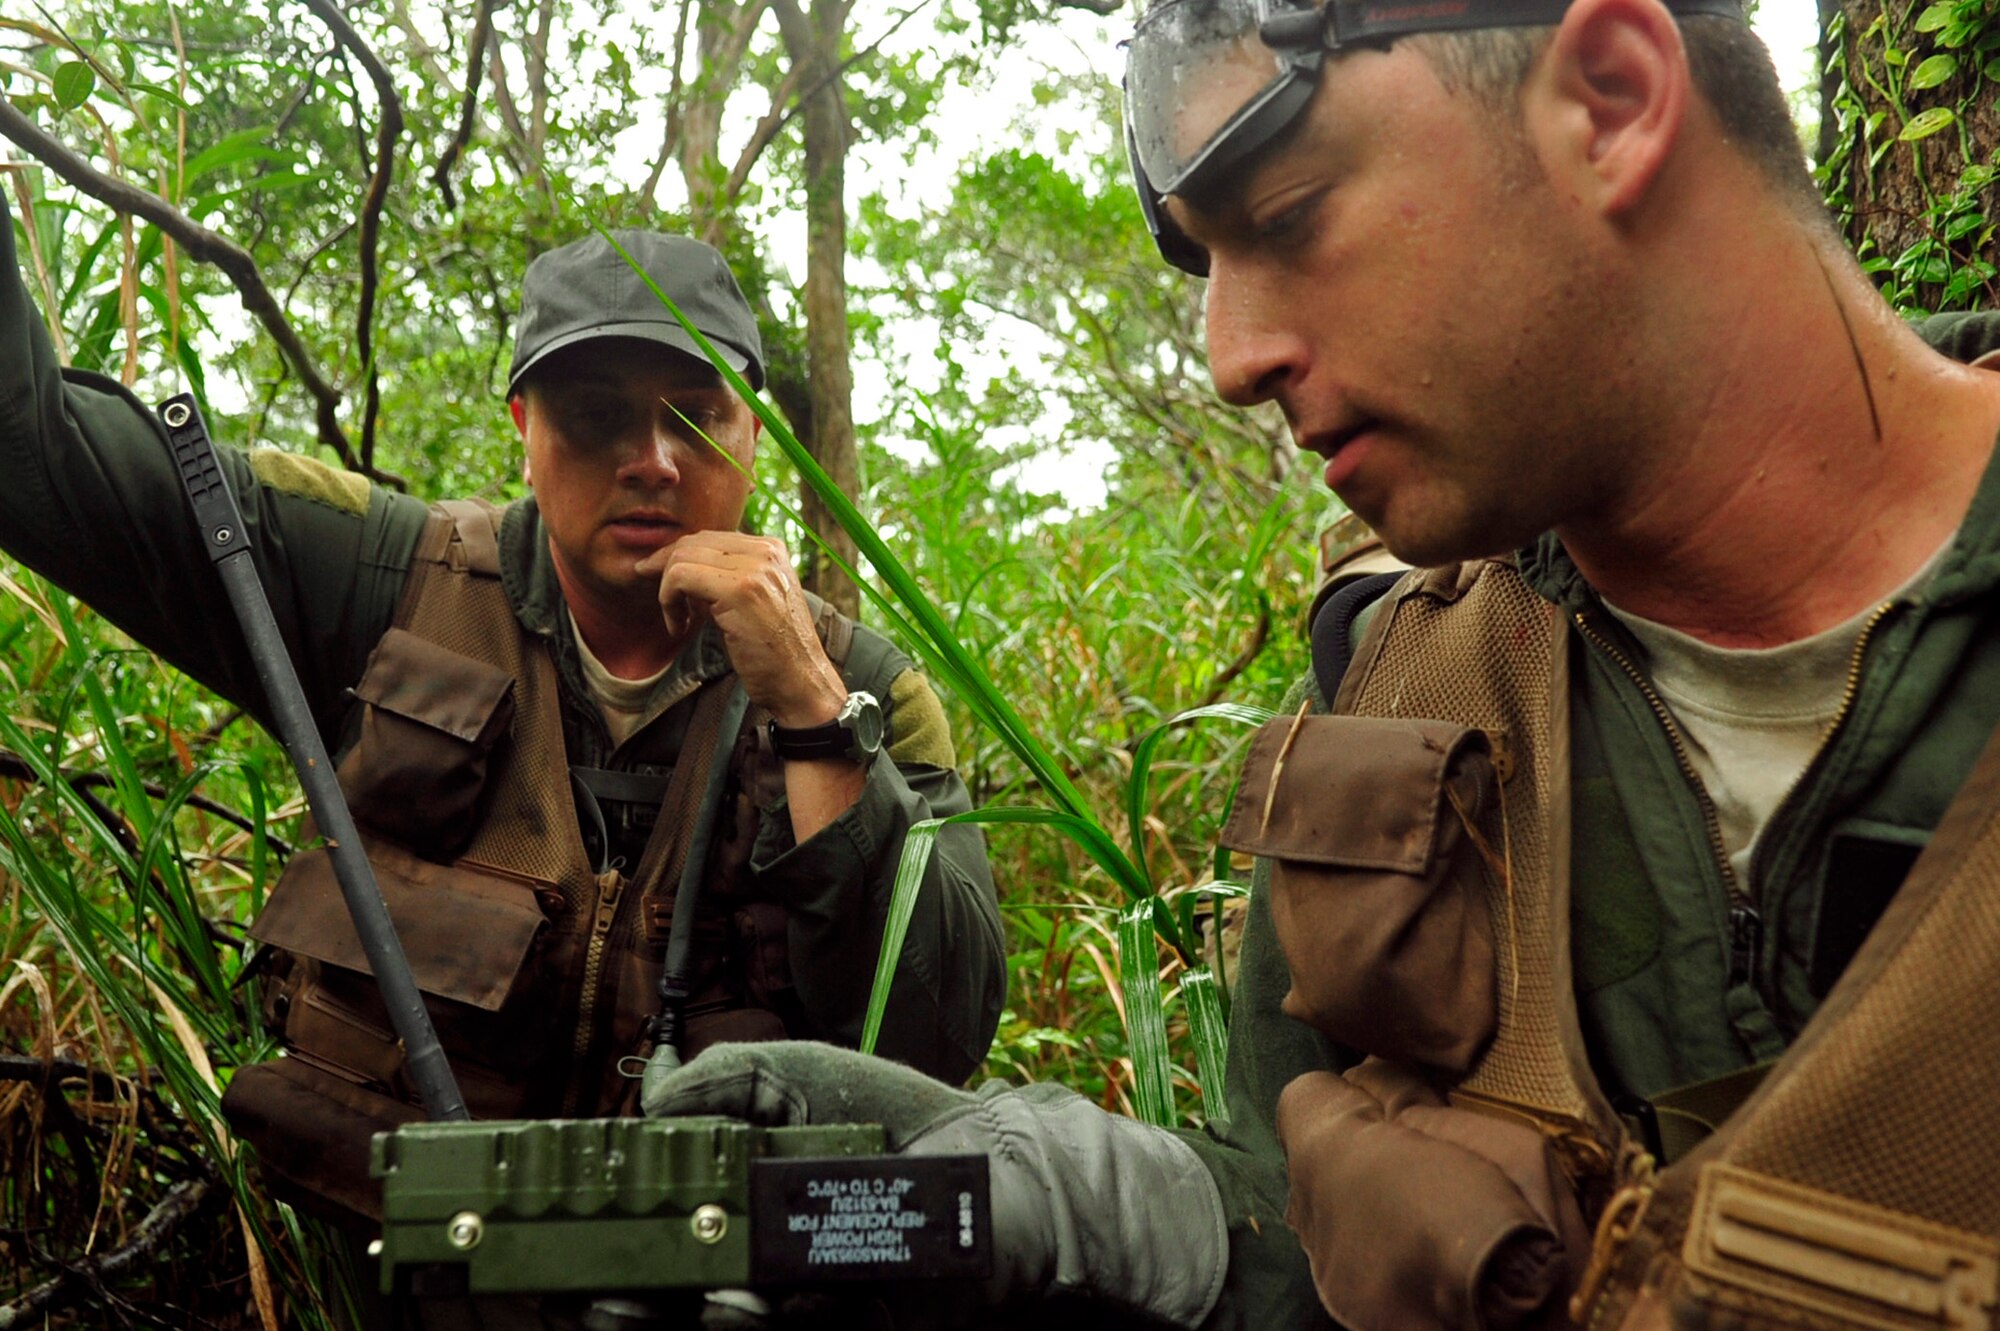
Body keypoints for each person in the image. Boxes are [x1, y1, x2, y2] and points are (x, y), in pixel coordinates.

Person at [642, 1, 2000, 1328]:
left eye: (1288, 218)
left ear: (1613, 102)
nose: (1233, 357)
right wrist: (1066, 1197)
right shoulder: (1400, 691)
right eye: (1209, 262)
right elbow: (1307, 1234)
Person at [0, 211, 1005, 1236]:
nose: (652, 459)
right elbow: (31, 452)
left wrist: (810, 711)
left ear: (750, 429)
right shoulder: (375, 577)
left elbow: (938, 1041)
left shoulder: (859, 684)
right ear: (523, 428)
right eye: (595, 414)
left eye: (695, 415)